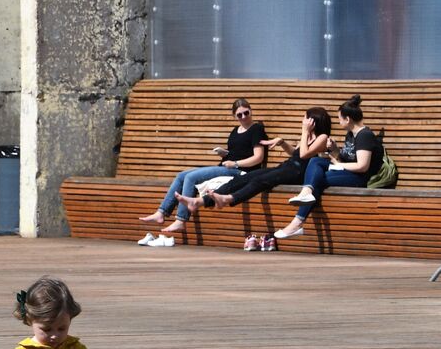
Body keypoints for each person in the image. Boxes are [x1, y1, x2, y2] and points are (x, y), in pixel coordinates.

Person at [138, 98, 267, 238]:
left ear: (251, 111)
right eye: (239, 115)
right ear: (234, 116)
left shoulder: (256, 129)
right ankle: (161, 212)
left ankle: (181, 219)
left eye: (246, 113)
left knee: (191, 177)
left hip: (241, 172)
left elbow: (258, 158)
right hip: (228, 167)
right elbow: (239, 151)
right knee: (181, 175)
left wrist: (235, 163)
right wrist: (225, 154)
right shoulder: (235, 130)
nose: (244, 117)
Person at [176, 107, 332, 215]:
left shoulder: (322, 137)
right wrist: (282, 142)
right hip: (288, 166)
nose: (303, 120)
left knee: (260, 180)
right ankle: (200, 201)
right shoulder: (308, 136)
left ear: (312, 121)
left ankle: (229, 198)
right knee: (245, 177)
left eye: (305, 118)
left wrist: (305, 132)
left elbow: (305, 155)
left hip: (298, 174)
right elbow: (296, 153)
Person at [275, 95, 385, 241]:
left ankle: (297, 223)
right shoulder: (351, 135)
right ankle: (306, 193)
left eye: (340, 119)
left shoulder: (365, 135)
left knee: (317, 181)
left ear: (348, 119)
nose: (339, 122)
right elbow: (348, 158)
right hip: (348, 172)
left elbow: (362, 166)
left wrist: (340, 164)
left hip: (359, 178)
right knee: (315, 161)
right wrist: (334, 150)